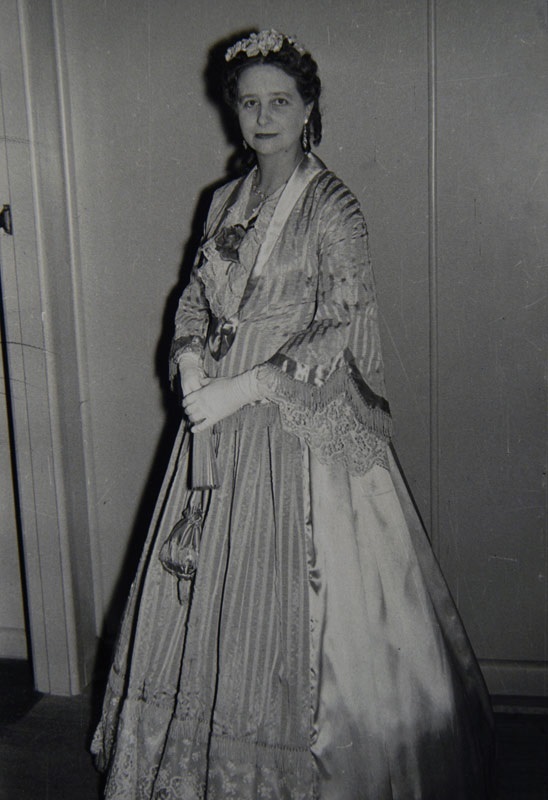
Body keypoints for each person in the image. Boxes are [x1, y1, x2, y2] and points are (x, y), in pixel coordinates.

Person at [92, 29, 494, 800]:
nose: (264, 116)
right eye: (249, 103)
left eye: (280, 101)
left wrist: (243, 389)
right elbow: (195, 298)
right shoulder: (223, 198)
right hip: (214, 418)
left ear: (309, 108)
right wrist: (187, 362)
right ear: (233, 113)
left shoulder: (334, 203)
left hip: (292, 422)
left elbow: (337, 322)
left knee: (298, 612)